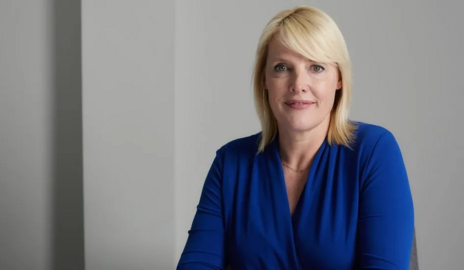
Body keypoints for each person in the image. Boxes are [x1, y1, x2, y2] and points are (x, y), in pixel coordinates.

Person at [177, 5, 414, 270]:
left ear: (339, 79)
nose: (298, 83)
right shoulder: (230, 162)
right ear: (264, 80)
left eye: (316, 67)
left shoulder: (374, 151)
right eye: (282, 67)